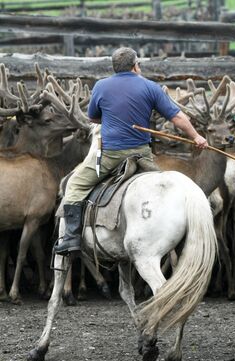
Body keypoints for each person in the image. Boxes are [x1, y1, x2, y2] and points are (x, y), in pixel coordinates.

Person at [53, 47, 208, 256]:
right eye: (139, 64)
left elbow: (94, 118)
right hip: (142, 155)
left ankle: (71, 238)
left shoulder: (101, 86)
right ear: (135, 65)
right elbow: (177, 117)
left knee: (75, 184)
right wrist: (196, 136)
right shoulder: (150, 87)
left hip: (110, 156)